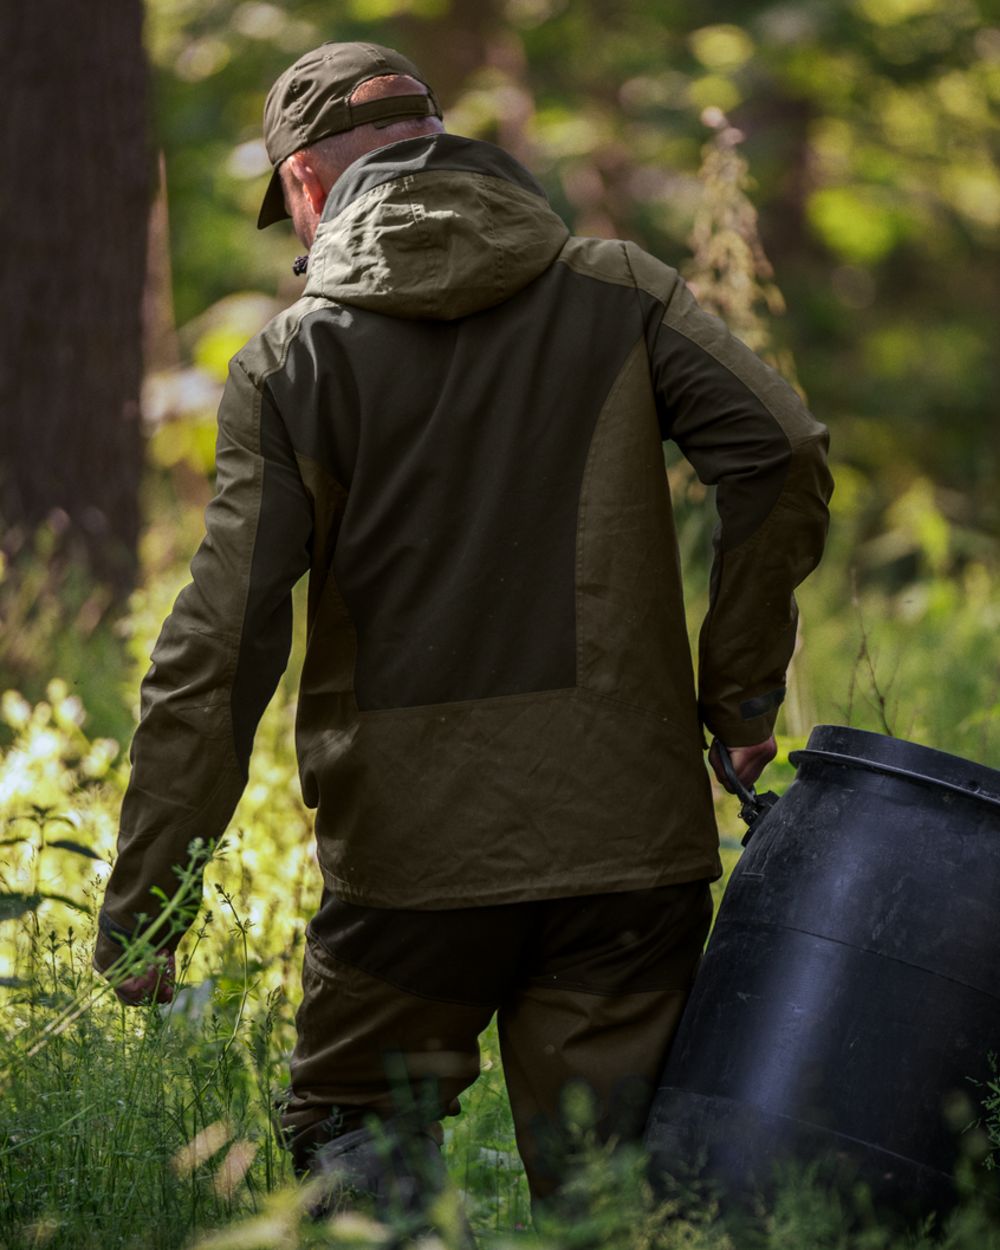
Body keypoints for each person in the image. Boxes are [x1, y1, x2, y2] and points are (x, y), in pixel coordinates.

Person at [93, 38, 833, 1220]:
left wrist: (149, 902)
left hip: (408, 867)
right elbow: (780, 451)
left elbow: (220, 642)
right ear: (439, 139)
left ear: (304, 182)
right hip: (628, 844)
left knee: (357, 1132)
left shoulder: (294, 359)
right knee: (608, 1184)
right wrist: (737, 692)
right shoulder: (621, 288)